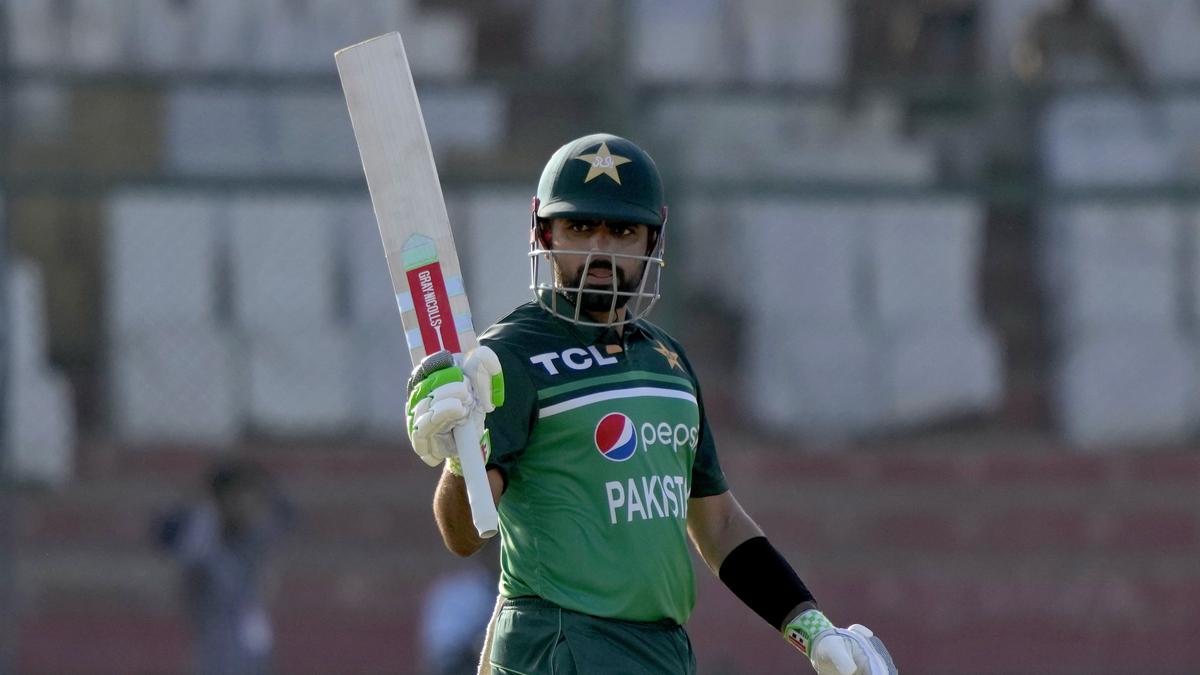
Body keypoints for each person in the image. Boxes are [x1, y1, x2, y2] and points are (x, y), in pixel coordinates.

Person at [405, 133, 896, 675]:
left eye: (621, 230)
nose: (600, 249)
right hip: (558, 643)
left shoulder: (668, 362)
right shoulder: (508, 358)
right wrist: (461, 459)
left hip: (661, 650)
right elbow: (463, 535)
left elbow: (718, 524)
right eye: (579, 227)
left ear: (652, 239)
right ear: (544, 233)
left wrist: (809, 626)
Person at [153, 459, 293, 675]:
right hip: (217, 646)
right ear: (222, 499)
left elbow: (285, 516)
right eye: (240, 495)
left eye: (255, 497)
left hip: (252, 646)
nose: (249, 504)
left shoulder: (256, 536)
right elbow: (168, 536)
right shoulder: (203, 542)